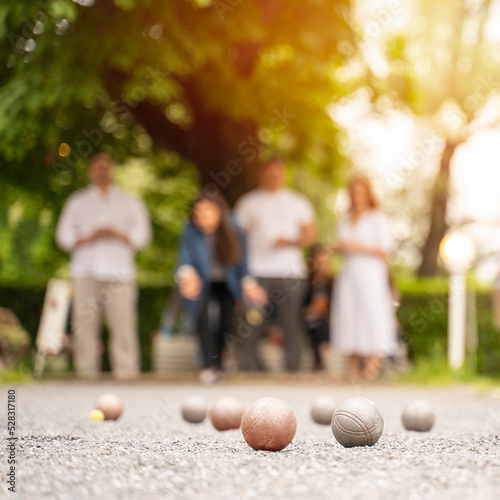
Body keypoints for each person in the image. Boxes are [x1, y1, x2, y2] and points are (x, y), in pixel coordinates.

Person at [56, 152, 152, 379]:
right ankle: (86, 374)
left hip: (120, 273)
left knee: (124, 327)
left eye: (105, 167)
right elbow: (63, 238)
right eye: (97, 167)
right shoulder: (76, 201)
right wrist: (89, 236)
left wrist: (117, 233)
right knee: (84, 326)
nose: (101, 171)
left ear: (112, 170)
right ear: (91, 171)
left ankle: (127, 375)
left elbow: (143, 237)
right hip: (85, 271)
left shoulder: (130, 202)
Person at [234, 158, 317, 372]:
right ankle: (251, 370)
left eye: (277, 173)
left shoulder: (299, 202)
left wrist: (290, 241)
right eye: (269, 173)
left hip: (291, 273)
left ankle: (292, 372)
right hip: (257, 272)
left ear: (284, 174)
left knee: (290, 324)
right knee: (252, 323)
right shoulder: (248, 202)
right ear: (262, 174)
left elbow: (310, 237)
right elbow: (236, 239)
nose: (273, 177)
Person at [176, 193, 266, 383]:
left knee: (225, 323)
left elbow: (242, 257)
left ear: (219, 211)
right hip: (202, 282)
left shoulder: (232, 226)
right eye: (197, 214)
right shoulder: (191, 230)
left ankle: (218, 363)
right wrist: (187, 275)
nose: (202, 218)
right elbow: (185, 257)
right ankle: (207, 366)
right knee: (203, 320)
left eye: (207, 212)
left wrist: (248, 282)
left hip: (227, 282)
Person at [331, 177, 397, 381]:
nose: (356, 196)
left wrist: (355, 246)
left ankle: (373, 365)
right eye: (353, 192)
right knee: (349, 313)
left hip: (371, 273)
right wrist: (339, 248)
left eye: (360, 192)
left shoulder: (377, 217)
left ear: (368, 194)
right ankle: (352, 365)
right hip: (349, 273)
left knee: (372, 313)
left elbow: (385, 249)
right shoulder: (344, 219)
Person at [302, 244, 333, 371]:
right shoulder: (306, 283)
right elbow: (300, 306)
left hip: (327, 319)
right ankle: (319, 361)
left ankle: (320, 362)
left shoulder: (333, 282)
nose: (322, 265)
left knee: (321, 326)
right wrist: (309, 310)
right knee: (314, 324)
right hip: (308, 320)